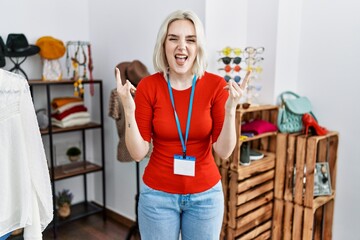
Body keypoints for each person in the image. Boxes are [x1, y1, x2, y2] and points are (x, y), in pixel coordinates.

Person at [116, 9, 243, 240]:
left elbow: (224, 152)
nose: (181, 46)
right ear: (163, 44)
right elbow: (137, 153)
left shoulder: (216, 86)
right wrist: (128, 108)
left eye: (190, 40)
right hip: (157, 196)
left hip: (205, 197)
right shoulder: (148, 86)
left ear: (198, 47)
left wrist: (231, 109)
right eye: (173, 38)